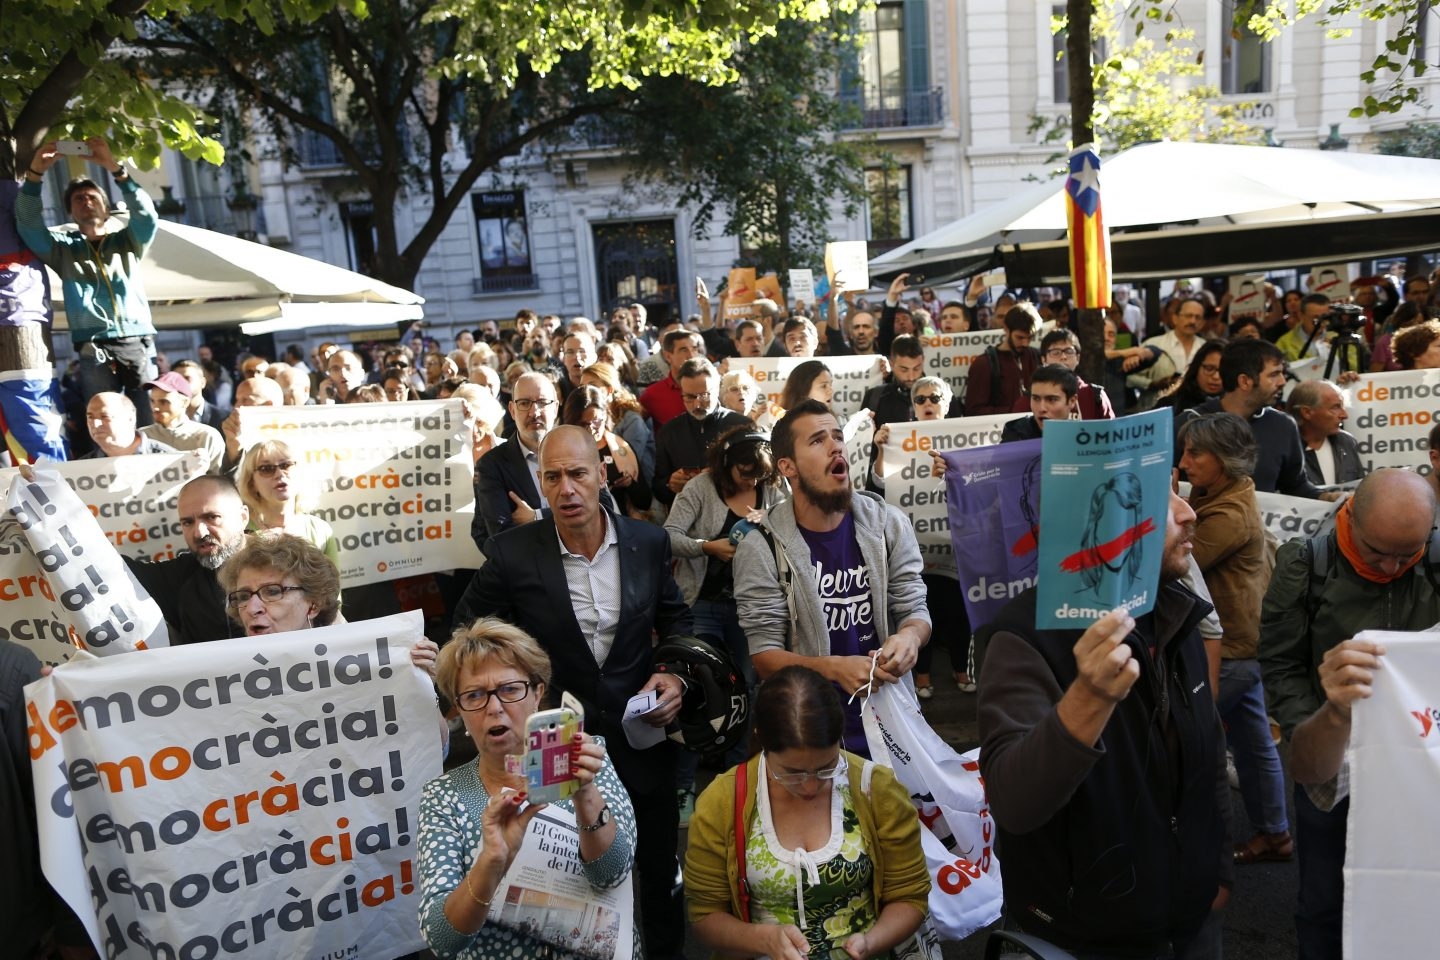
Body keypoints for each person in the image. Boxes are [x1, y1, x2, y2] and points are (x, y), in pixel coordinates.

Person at [454, 425, 694, 960]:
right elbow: (469, 627)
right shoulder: (512, 553)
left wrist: (674, 674)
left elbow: (678, 620)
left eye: (578, 474)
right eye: (553, 477)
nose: (567, 489)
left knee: (657, 867)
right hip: (554, 746)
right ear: (541, 483)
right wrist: (518, 689)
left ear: (601, 475)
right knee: (572, 873)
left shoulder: (647, 541)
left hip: (642, 740)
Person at [978, 490, 1231, 956]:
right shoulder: (1024, 636)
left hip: (1191, 917)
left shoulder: (1178, 611)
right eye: (1159, 498)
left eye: (1178, 488)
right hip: (1088, 935)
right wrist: (1089, 699)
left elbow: (1207, 755)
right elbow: (1014, 803)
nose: (1188, 512)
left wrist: (1216, 870)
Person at [1260, 469, 1440, 960]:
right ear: (1349, 517)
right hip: (1335, 759)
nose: (1389, 567)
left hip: (1421, 758)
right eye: (1376, 550)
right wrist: (1309, 737)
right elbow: (1280, 664)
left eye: (1407, 554)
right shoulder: (1306, 562)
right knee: (1324, 898)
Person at [417, 617, 638, 959]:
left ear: (537, 695)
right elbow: (443, 939)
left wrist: (585, 794)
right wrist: (491, 862)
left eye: (509, 689)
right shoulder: (444, 797)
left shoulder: (588, 756)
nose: (493, 707)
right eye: (474, 695)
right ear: (459, 709)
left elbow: (614, 874)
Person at [685, 665, 930, 960]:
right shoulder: (721, 801)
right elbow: (705, 915)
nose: (811, 786)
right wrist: (763, 939)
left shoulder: (876, 789)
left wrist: (871, 942)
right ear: (761, 741)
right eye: (792, 773)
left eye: (827, 767)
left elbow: (910, 895)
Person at [734, 400, 930, 756]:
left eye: (838, 437)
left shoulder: (888, 523)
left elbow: (914, 606)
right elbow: (764, 655)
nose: (836, 446)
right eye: (817, 440)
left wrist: (909, 639)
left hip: (893, 723)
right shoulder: (760, 546)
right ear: (787, 466)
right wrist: (833, 668)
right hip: (808, 732)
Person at [1178, 413, 1289, 868]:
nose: (1184, 462)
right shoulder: (1223, 494)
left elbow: (1178, 560)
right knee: (1254, 741)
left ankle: (1205, 856)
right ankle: (1275, 834)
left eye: (1194, 453)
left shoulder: (1229, 513)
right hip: (1244, 640)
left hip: (1231, 648)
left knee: (1187, 747)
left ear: (1224, 459)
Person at [664, 425, 777, 816]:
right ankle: (681, 786)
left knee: (746, 687)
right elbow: (669, 536)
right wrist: (706, 547)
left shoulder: (773, 489)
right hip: (702, 603)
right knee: (698, 689)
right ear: (726, 463)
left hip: (751, 607)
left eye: (758, 475)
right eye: (745, 472)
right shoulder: (699, 488)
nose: (752, 481)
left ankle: (735, 779)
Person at [18, 138, 160, 416]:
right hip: (91, 345)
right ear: (70, 212)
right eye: (78, 199)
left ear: (106, 209)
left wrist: (114, 168)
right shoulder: (63, 250)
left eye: (92, 197)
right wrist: (35, 175)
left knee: (147, 418)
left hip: (137, 339)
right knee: (103, 418)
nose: (86, 201)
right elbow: (28, 225)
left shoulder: (129, 242)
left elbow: (147, 215)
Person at [1178, 338, 1326, 498]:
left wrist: (1328, 498)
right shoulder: (1187, 424)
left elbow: (1296, 486)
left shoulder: (1283, 426)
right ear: (1244, 381)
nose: (1283, 381)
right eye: (1274, 374)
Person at [125, 475, 250, 644]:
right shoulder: (179, 578)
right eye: (187, 522)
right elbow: (107, 564)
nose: (199, 532)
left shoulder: (286, 565)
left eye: (211, 517)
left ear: (242, 517)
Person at [473, 371, 557, 546]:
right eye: (525, 403)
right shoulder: (491, 466)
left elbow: (601, 508)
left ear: (555, 407)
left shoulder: (578, 450)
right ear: (512, 410)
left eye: (542, 402)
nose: (534, 412)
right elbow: (501, 536)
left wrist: (537, 516)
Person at [652, 357, 749, 506]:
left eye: (704, 395)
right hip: (689, 520)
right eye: (689, 397)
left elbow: (759, 480)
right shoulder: (669, 432)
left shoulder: (742, 426)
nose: (697, 404)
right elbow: (658, 489)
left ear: (717, 389)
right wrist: (669, 484)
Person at [235, 439, 339, 562]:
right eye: (266, 469)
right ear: (251, 483)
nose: (279, 474)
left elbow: (332, 581)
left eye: (286, 465)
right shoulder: (239, 532)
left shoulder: (321, 530)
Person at [563, 385, 651, 520]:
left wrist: (630, 484)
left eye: (596, 422)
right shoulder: (562, 453)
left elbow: (645, 501)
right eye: (583, 424)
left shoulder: (621, 448)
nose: (591, 429)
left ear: (605, 415)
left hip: (619, 524)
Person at [1012, 328, 1114, 420]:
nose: (1063, 357)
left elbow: (1111, 434)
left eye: (1069, 351)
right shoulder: (1028, 400)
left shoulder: (1094, 395)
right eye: (1056, 352)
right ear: (1043, 359)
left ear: (1078, 358)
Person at [579, 361, 654, 487]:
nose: (585, 392)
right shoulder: (583, 419)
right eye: (582, 387)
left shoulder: (632, 420)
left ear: (609, 390)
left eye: (592, 386)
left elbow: (629, 465)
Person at [139, 371, 224, 473]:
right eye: (152, 401)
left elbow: (217, 480)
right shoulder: (141, 437)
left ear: (184, 402)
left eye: (164, 402)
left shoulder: (206, 436)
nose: (155, 408)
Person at [965, 304, 1042, 416]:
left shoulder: (1036, 356)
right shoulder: (984, 364)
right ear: (1006, 329)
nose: (1025, 343)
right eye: (1020, 337)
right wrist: (1015, 410)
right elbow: (973, 411)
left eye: (1030, 338)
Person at [1290, 380, 1363, 487]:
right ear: (1307, 412)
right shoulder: (1284, 449)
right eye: (1336, 407)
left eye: (1342, 406)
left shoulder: (1347, 442)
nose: (1345, 415)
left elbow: (1360, 491)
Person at [79, 392, 176, 458]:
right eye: (90, 417)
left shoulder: (168, 458)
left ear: (130, 419)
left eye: (105, 416)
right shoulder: (81, 469)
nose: (95, 424)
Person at [640, 329, 705, 427]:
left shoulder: (711, 387)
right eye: (684, 350)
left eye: (694, 349)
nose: (691, 355)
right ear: (668, 356)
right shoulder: (652, 394)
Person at [862, 335, 930, 428]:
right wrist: (875, 440)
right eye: (904, 369)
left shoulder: (943, 395)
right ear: (891, 364)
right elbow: (862, 439)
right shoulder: (874, 397)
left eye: (916, 368)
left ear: (923, 361)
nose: (911, 377)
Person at [1000, 364, 1079, 443]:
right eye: (1036, 398)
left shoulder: (1084, 437)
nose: (1041, 408)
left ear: (1072, 401)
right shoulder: (1016, 434)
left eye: (1051, 399)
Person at [1156, 339, 1225, 418]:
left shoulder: (1233, 406)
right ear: (1196, 367)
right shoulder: (1170, 404)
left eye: (1222, 370)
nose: (1216, 377)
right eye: (1209, 369)